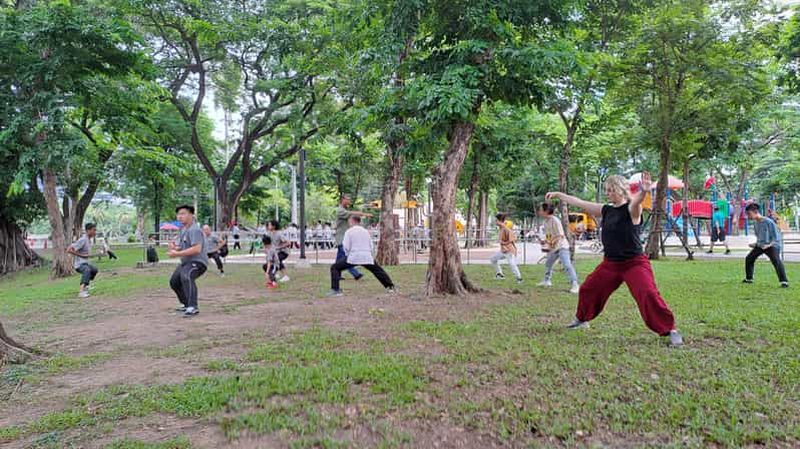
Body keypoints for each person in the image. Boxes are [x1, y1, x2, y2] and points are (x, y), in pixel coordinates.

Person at [546, 172, 684, 346]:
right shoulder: (606, 209)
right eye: (607, 190)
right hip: (610, 264)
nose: (608, 193)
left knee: (647, 293)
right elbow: (580, 202)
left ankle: (670, 329)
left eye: (611, 190)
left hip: (634, 263)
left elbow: (636, 203)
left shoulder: (631, 209)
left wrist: (643, 192)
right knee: (588, 288)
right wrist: (559, 195)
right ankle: (581, 320)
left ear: (621, 190)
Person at [327, 215, 395, 297]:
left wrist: (348, 255)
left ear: (353, 221)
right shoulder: (365, 231)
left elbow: (346, 246)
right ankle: (390, 286)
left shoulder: (349, 231)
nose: (349, 222)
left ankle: (335, 290)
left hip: (354, 256)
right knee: (378, 270)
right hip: (366, 256)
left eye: (349, 221)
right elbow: (371, 245)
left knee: (335, 267)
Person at [168, 205, 208, 317]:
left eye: (183, 213)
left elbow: (196, 249)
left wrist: (177, 254)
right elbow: (182, 247)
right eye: (178, 214)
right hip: (186, 262)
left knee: (186, 276)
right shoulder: (183, 230)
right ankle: (186, 304)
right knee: (174, 282)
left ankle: (193, 307)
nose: (180, 216)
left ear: (191, 215)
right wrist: (174, 248)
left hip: (198, 262)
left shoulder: (194, 230)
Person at [537, 203, 580, 293]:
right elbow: (549, 236)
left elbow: (560, 235)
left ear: (546, 211)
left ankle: (575, 284)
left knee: (567, 265)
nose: (539, 211)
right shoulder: (545, 222)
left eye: (541, 210)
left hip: (562, 246)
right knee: (548, 263)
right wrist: (545, 241)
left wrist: (552, 241)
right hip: (553, 248)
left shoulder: (555, 220)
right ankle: (547, 281)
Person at [743, 203, 789, 288]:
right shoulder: (756, 223)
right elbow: (760, 237)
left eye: (749, 214)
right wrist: (755, 244)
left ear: (756, 212)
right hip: (761, 245)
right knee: (749, 258)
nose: (748, 216)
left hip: (772, 245)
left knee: (776, 260)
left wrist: (768, 245)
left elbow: (776, 238)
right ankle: (749, 278)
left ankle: (784, 281)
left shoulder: (768, 222)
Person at [334, 195, 370, 281]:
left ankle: (336, 274)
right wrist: (361, 213)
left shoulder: (344, 210)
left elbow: (350, 218)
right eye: (348, 199)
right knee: (347, 258)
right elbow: (350, 214)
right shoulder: (340, 211)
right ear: (343, 200)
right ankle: (356, 274)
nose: (349, 201)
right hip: (341, 238)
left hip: (342, 238)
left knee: (340, 259)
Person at [67, 223, 99, 298]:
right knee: (87, 270)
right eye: (94, 230)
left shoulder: (88, 240)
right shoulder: (83, 240)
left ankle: (86, 286)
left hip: (85, 263)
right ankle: (81, 292)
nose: (95, 232)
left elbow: (86, 253)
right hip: (79, 265)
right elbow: (69, 249)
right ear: (88, 230)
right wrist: (82, 255)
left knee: (94, 270)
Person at [489, 213, 523, 284]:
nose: (495, 222)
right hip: (503, 251)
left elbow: (512, 239)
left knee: (512, 264)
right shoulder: (501, 228)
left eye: (496, 220)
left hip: (509, 251)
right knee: (493, 259)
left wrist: (504, 243)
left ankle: (519, 278)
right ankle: (500, 274)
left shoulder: (506, 228)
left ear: (499, 221)